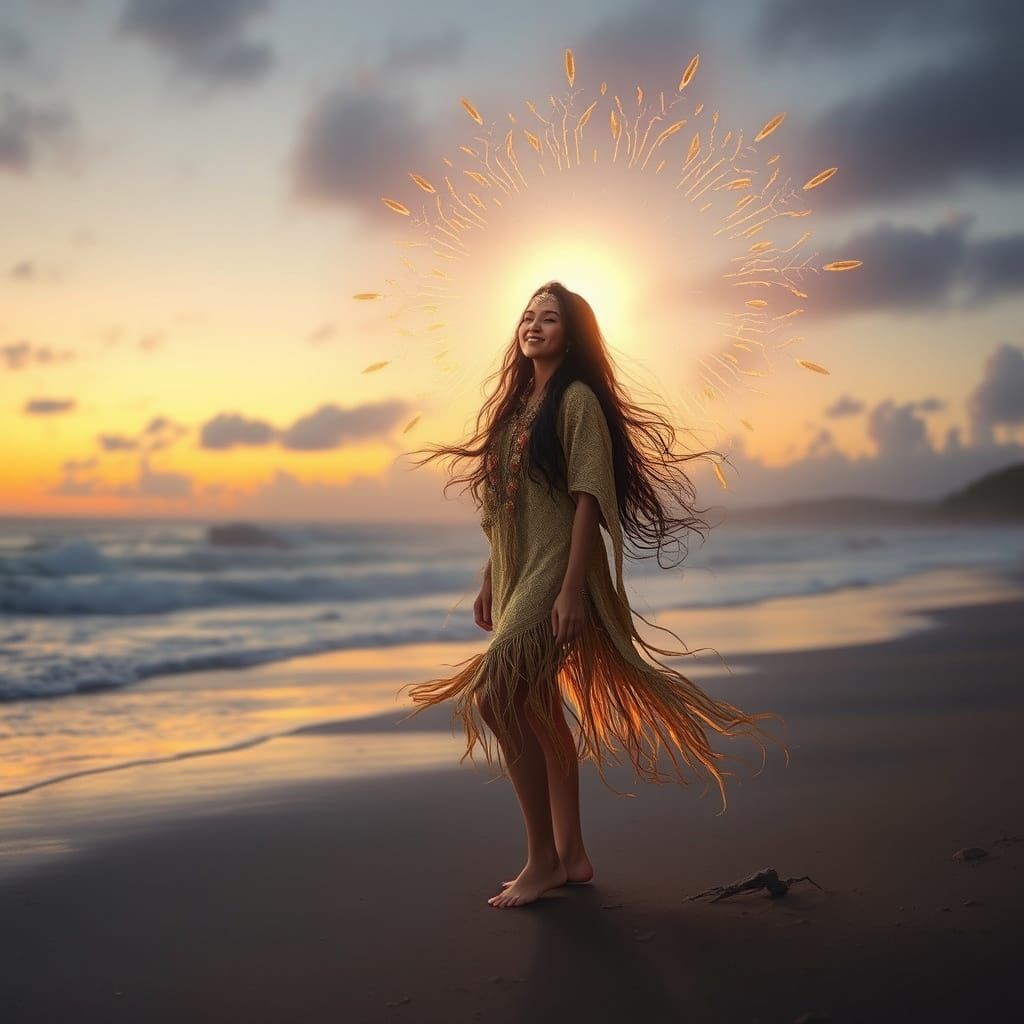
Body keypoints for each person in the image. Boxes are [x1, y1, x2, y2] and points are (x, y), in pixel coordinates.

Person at [399, 281, 789, 908]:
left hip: (556, 570)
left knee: (496, 697)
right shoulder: (516, 407)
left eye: (549, 318)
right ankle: (572, 855)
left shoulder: (577, 400)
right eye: (527, 316)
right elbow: (508, 507)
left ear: (573, 334)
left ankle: (542, 860)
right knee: (537, 706)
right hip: (518, 570)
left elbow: (588, 498)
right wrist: (490, 575)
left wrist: (573, 589)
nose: (533, 326)